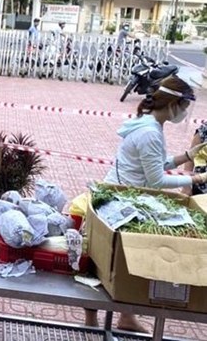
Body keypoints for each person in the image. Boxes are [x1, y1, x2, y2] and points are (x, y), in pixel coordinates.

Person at [86, 75, 207, 332]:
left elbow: (157, 164)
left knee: (114, 260)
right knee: (106, 260)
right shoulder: (150, 132)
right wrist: (194, 177)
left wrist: (186, 156)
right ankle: (95, 319)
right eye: (184, 107)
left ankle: (125, 317)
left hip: (124, 194)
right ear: (173, 103)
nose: (184, 114)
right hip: (121, 202)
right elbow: (156, 179)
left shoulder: (151, 124)